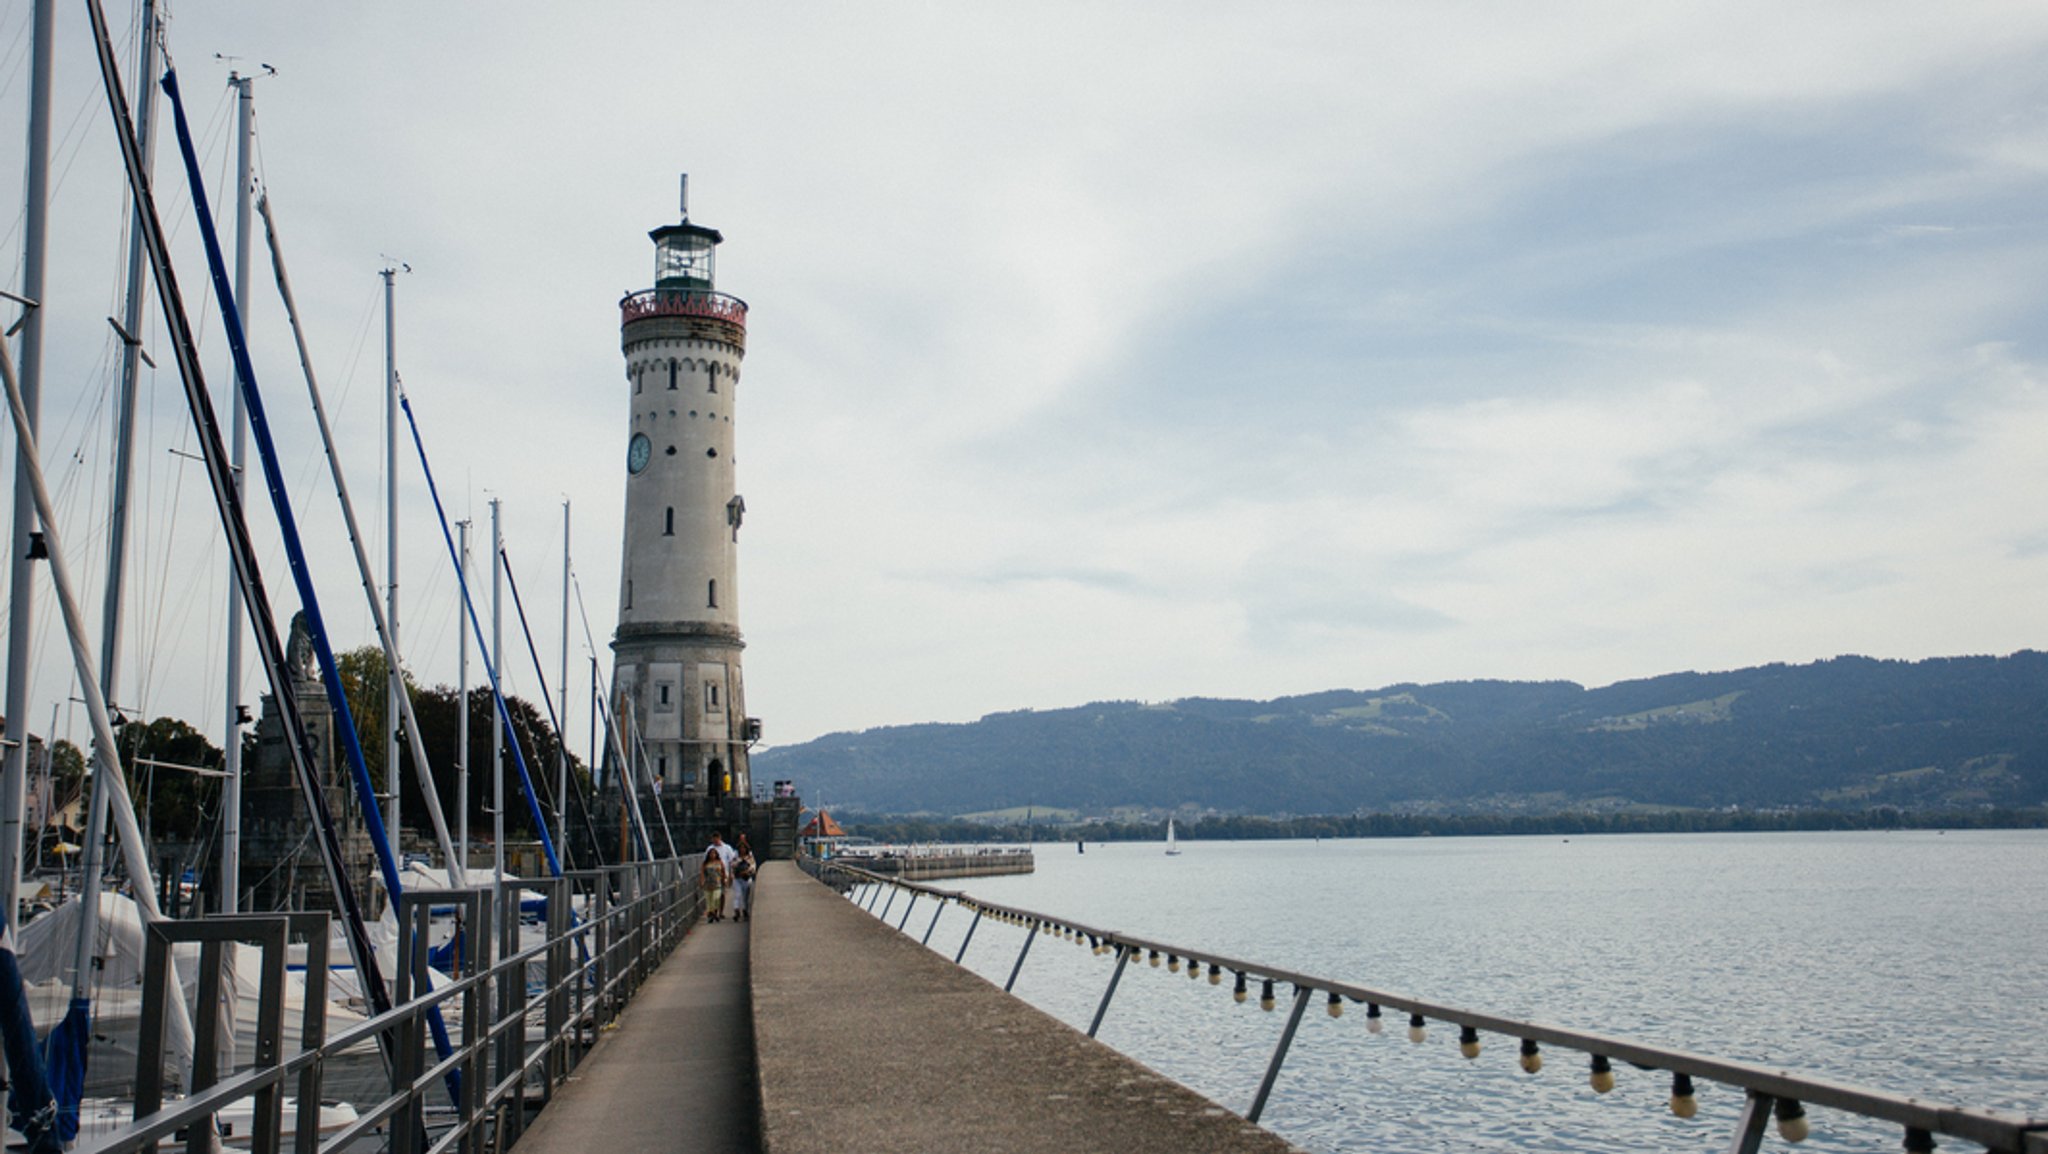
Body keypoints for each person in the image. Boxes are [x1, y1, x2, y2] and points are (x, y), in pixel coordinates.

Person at [729, 834, 757, 922]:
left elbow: (753, 866)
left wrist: (747, 871)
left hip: (746, 878)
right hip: (737, 878)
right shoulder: (735, 856)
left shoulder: (750, 856)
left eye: (743, 848)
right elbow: (732, 865)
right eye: (741, 848)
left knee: (745, 896)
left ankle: (745, 910)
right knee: (737, 894)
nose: (742, 850)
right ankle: (736, 910)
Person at [699, 845, 729, 922]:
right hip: (708, 884)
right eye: (711, 854)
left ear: (716, 855)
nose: (712, 855)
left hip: (717, 883)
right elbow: (702, 873)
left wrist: (724, 880)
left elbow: (723, 871)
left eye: (714, 854)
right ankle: (711, 915)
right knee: (709, 901)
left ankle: (714, 913)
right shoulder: (705, 863)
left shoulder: (720, 862)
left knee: (716, 898)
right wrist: (702, 881)